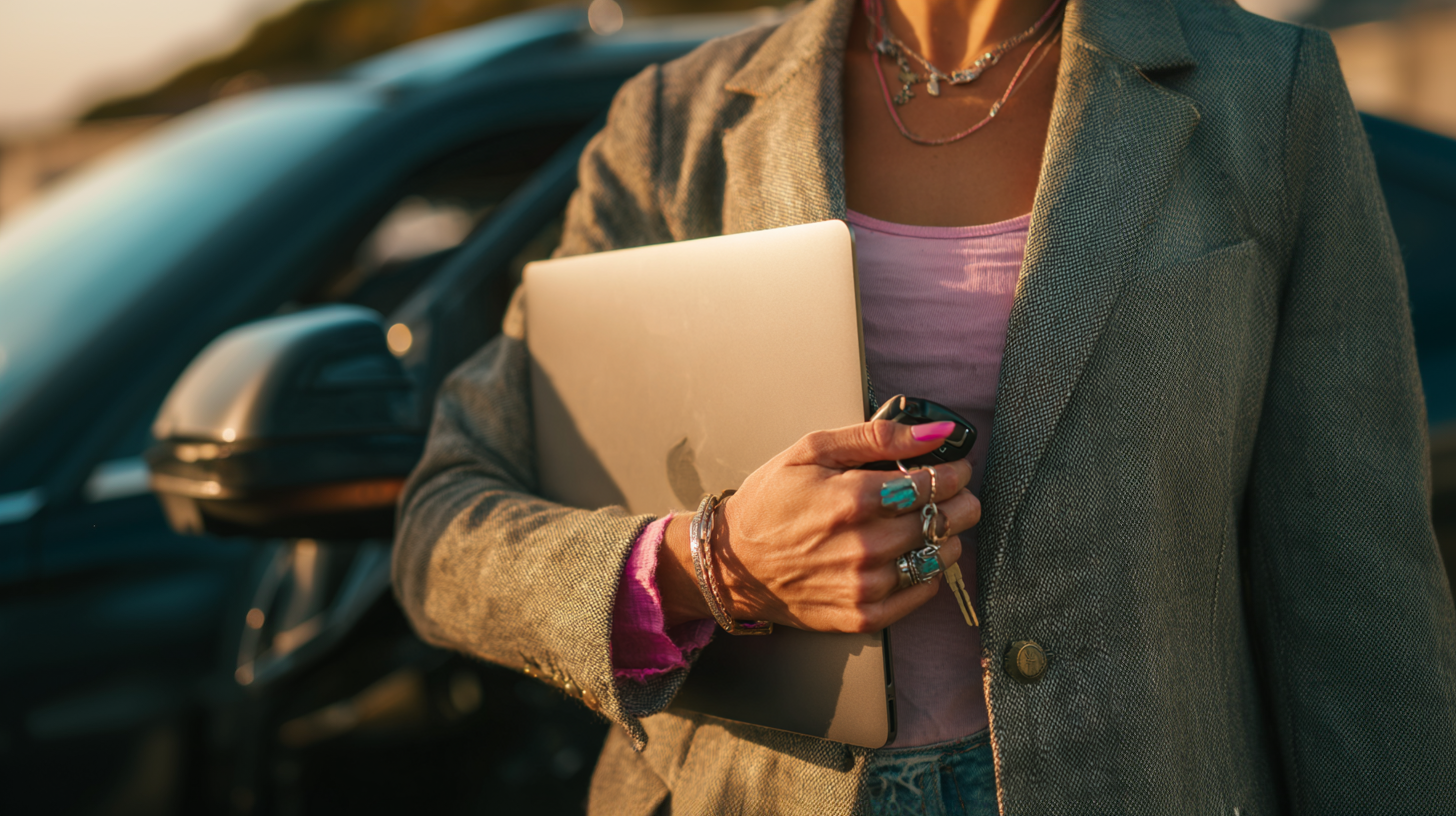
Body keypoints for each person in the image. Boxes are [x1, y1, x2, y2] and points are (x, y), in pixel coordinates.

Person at [391, 0, 1456, 812]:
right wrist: (710, 562)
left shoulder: (1263, 91)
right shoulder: (671, 129)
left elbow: (1354, 589)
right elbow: (444, 524)